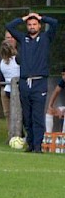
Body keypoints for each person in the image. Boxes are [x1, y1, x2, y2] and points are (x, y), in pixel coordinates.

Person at [5, 12, 59, 152]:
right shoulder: (23, 39)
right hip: (24, 83)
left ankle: (37, 146)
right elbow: (9, 26)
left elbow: (55, 23)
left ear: (39, 26)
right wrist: (23, 18)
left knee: (37, 116)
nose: (32, 26)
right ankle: (30, 144)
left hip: (39, 83)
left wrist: (41, 17)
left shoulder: (46, 37)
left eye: (35, 24)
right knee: (27, 116)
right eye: (29, 24)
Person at [0, 39, 20, 133]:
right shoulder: (16, 60)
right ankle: (16, 132)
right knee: (15, 113)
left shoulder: (3, 62)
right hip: (15, 89)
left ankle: (13, 132)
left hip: (8, 89)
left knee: (11, 113)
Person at [45, 66, 65, 134]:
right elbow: (55, 92)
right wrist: (50, 105)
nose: (63, 77)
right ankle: (49, 136)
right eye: (62, 75)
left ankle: (63, 136)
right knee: (50, 111)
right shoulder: (63, 81)